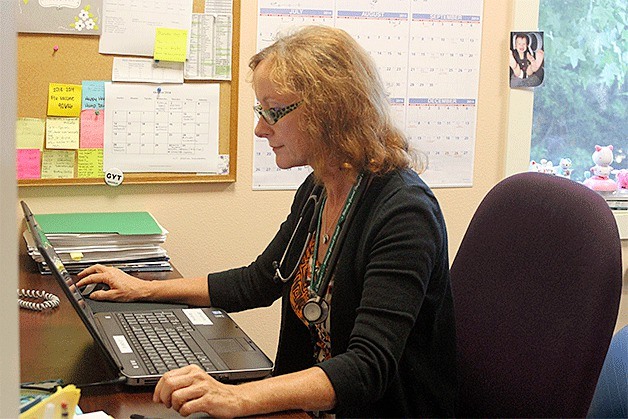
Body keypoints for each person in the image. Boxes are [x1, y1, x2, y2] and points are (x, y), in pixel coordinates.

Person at [76, 25, 457, 417]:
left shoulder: (404, 214)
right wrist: (143, 289)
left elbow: (367, 367)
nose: (260, 129)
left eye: (273, 111)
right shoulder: (318, 189)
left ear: (330, 109)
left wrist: (237, 397)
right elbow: (259, 281)